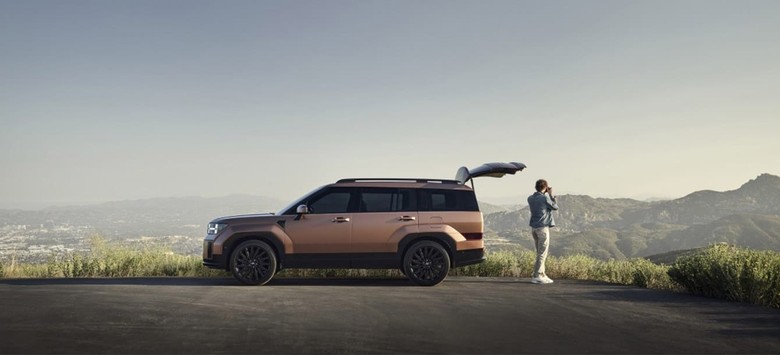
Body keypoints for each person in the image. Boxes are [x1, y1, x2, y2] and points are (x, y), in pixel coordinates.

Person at [527, 179, 558, 284]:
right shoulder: (544, 198)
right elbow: (555, 207)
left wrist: (546, 193)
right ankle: (537, 275)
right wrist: (550, 195)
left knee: (539, 252)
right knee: (542, 253)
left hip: (534, 228)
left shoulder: (530, 198)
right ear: (545, 187)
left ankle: (542, 274)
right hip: (542, 228)